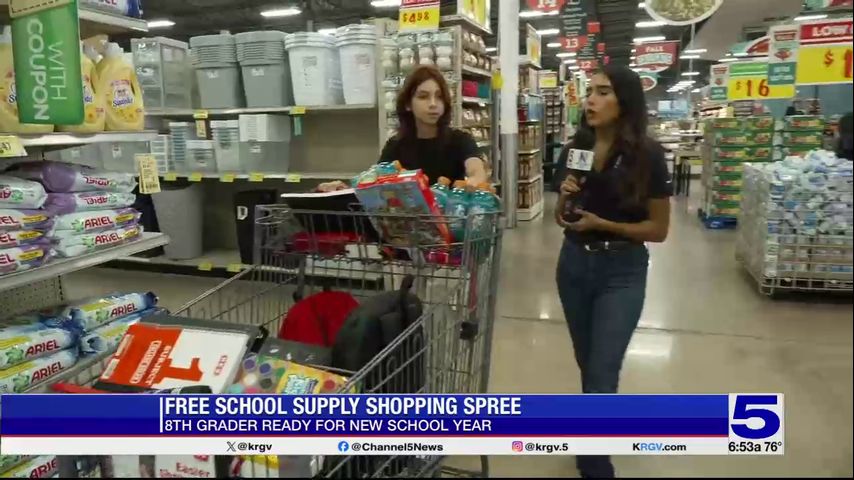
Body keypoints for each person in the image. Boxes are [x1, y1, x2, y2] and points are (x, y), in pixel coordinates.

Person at [554, 65, 672, 479]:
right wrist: (565, 201)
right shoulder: (575, 149)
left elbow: (658, 230)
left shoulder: (648, 157)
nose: (590, 100)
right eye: (590, 91)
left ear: (624, 102)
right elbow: (561, 218)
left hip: (622, 271)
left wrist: (605, 225)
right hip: (573, 266)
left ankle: (595, 460)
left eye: (602, 92)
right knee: (587, 361)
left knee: (603, 368)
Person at [317, 65, 488, 191]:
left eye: (439, 97)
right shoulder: (395, 146)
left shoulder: (460, 140)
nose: (433, 104)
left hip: (451, 230)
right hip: (406, 231)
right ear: (407, 104)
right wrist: (342, 188)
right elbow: (374, 184)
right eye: (423, 97)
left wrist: (474, 181)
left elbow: (475, 168)